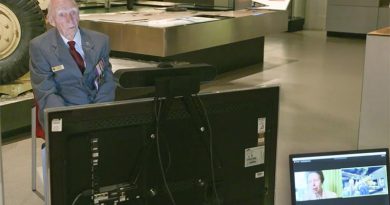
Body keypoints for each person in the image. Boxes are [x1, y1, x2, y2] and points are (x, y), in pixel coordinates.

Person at [29, 0, 116, 126]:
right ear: (51, 20)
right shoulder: (40, 47)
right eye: (62, 15)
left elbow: (107, 81)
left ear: (79, 15)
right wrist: (69, 122)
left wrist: (99, 112)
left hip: (99, 113)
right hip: (65, 116)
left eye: (73, 12)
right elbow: (46, 92)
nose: (70, 19)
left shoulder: (100, 41)